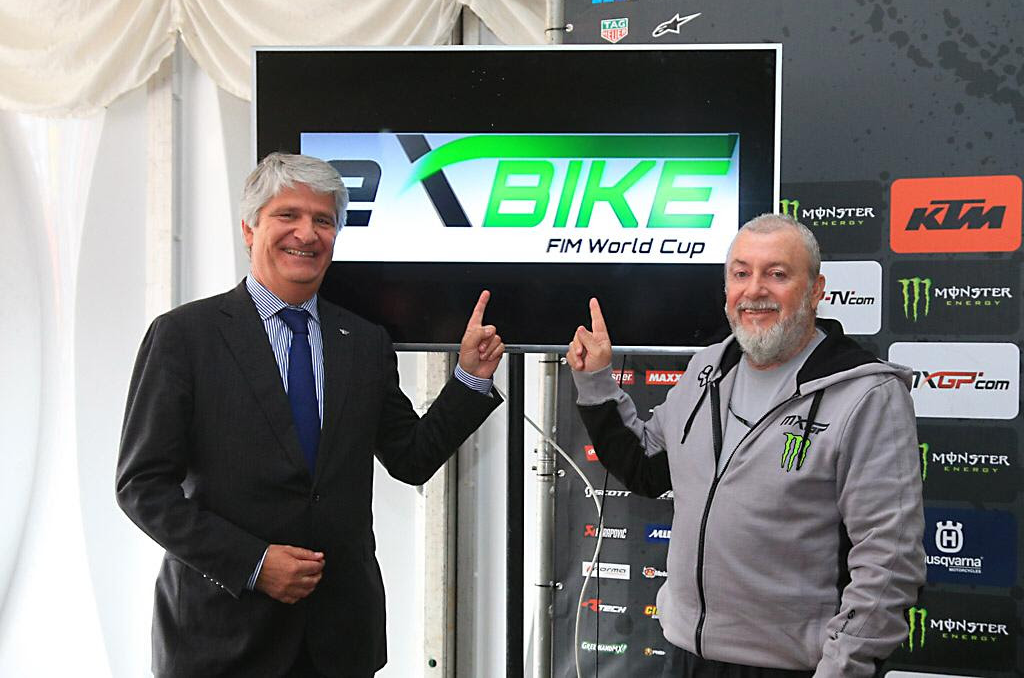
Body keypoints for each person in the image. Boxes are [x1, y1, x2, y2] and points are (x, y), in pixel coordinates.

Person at [116, 153, 504, 677]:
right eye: (288, 215)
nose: (307, 233)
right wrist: (254, 563)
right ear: (249, 229)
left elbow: (410, 458)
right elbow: (142, 487)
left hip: (340, 644)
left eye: (323, 220)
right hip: (221, 641)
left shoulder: (364, 342)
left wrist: (470, 378)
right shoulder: (185, 336)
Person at [567, 213, 924, 677]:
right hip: (686, 658)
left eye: (777, 274)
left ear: (816, 290)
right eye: (741, 274)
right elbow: (644, 465)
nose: (755, 290)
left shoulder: (866, 394)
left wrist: (843, 668)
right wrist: (596, 380)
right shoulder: (707, 369)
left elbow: (889, 562)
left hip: (793, 668)